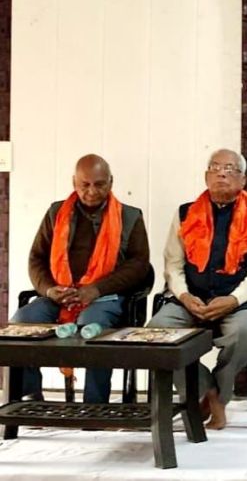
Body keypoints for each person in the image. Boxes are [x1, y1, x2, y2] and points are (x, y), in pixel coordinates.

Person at [147, 149, 247, 429]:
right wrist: (184, 296)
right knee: (156, 333)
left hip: (237, 302)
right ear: (206, 176)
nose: (221, 174)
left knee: (245, 332)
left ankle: (218, 395)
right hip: (190, 300)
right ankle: (207, 391)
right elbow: (173, 264)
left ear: (243, 180)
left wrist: (234, 299)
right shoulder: (185, 214)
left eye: (230, 169)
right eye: (215, 168)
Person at [12, 154, 149, 403]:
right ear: (74, 182)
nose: (92, 191)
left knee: (91, 325)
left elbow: (139, 264)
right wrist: (49, 290)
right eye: (85, 185)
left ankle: (95, 405)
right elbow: (36, 258)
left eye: (99, 184)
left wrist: (96, 289)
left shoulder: (130, 216)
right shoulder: (56, 212)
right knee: (22, 322)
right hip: (59, 295)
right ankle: (30, 399)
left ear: (111, 182)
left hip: (104, 297)